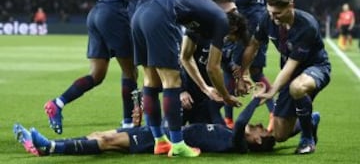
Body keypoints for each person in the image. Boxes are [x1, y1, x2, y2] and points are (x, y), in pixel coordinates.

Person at [43, 0, 150, 134]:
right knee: (130, 72)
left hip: (97, 14)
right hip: (114, 14)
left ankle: (58, 103)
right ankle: (129, 124)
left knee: (97, 75)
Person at [13, 83, 277, 157]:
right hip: (162, 133)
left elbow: (242, 122)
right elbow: (208, 106)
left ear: (256, 142)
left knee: (104, 141)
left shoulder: (236, 142)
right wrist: (304, 121)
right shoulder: (227, 134)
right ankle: (40, 145)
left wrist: (256, 100)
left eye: (260, 131)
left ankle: (49, 148)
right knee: (97, 135)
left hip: (156, 141)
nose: (257, 127)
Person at [131, 0, 245, 157]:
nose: (224, 39)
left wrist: (205, 88)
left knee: (151, 81)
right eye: (228, 37)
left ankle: (160, 142)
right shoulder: (222, 21)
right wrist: (226, 96)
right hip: (160, 15)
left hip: (139, 14)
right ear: (233, 28)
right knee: (172, 81)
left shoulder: (200, 20)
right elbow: (213, 68)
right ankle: (178, 145)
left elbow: (185, 57)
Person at [236, 0, 331, 154]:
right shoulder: (267, 19)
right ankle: (310, 120)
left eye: (277, 13)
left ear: (290, 6)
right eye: (270, 12)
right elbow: (253, 45)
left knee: (297, 87)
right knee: (279, 135)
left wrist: (272, 91)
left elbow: (291, 65)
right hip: (291, 73)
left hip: (316, 68)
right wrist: (242, 74)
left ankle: (307, 140)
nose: (273, 17)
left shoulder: (306, 25)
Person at [221, 0, 274, 131]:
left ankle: (227, 120)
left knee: (230, 67)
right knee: (256, 71)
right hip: (260, 16)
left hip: (249, 20)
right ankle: (273, 113)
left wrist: (232, 4)